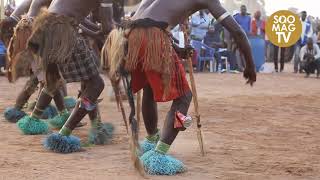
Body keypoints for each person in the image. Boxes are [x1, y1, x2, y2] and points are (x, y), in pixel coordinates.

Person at [105, 0, 256, 175]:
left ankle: (151, 140)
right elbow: (237, 31)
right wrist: (250, 65)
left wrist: (177, 49)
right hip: (153, 36)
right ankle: (158, 155)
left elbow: (148, 21)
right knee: (184, 96)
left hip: (131, 36)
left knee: (149, 88)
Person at [27, 0, 142, 153]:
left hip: (45, 30)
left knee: (75, 80)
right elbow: (107, 26)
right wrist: (121, 31)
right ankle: (62, 135)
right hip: (63, 31)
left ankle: (96, 127)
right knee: (96, 84)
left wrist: (97, 32)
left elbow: (79, 19)